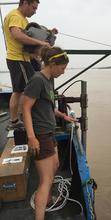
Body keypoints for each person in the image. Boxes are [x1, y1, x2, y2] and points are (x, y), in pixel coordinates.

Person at [22, 46, 76, 220]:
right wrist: (31, 137)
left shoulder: (49, 79)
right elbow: (25, 108)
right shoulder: (37, 80)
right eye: (62, 68)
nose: (63, 72)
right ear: (52, 64)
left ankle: (48, 200)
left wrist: (63, 116)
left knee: (54, 166)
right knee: (46, 180)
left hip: (49, 132)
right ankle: (40, 215)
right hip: (40, 135)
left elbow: (48, 105)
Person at [3, 0, 53, 130]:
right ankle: (22, 120)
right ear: (25, 3)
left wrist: (49, 33)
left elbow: (29, 39)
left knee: (19, 90)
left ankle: (15, 120)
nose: (35, 11)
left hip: (23, 59)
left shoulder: (23, 19)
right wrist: (41, 44)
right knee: (28, 90)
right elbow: (17, 35)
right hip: (18, 59)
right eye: (34, 8)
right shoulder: (16, 16)